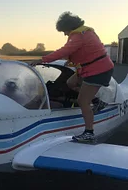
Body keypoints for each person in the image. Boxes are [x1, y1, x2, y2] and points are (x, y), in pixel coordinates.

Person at [31, 11, 114, 142]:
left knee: (82, 101)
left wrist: (43, 59)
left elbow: (65, 50)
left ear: (69, 27)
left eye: (64, 31)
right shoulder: (85, 33)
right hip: (90, 68)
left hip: (98, 70)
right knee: (70, 83)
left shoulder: (79, 36)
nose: (64, 34)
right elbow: (84, 52)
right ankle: (97, 101)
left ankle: (89, 132)